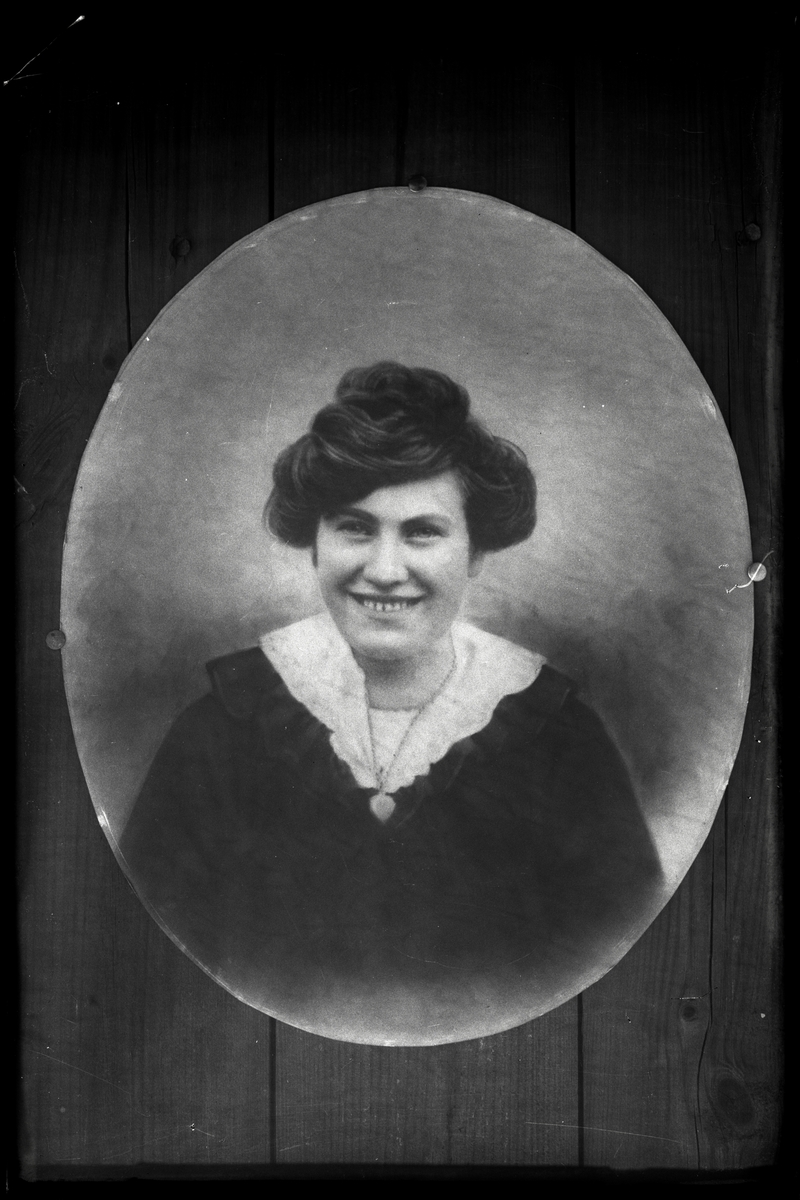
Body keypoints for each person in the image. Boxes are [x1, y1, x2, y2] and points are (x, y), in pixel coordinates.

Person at [120, 362, 665, 1043]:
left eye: (422, 532)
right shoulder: (220, 730)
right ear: (314, 544)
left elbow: (621, 966)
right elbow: (143, 961)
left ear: (475, 552)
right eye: (355, 527)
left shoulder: (557, 737)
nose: (384, 570)